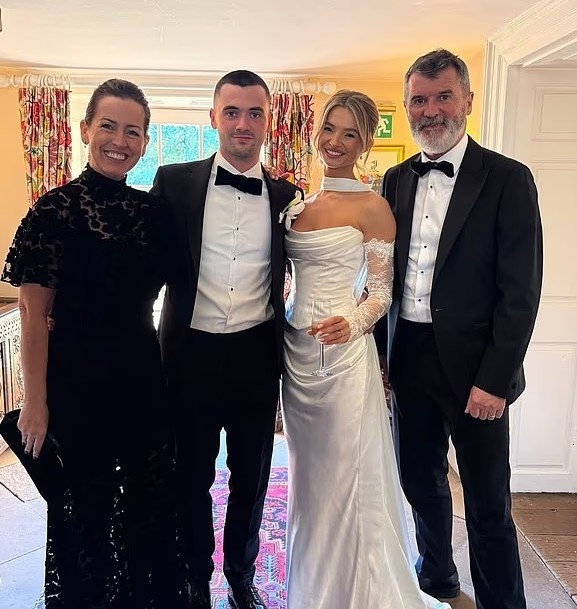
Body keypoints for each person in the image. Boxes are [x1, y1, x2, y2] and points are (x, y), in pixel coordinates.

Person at [1, 79, 188, 608]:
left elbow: (190, 287)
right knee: (84, 512)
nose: (119, 141)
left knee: (149, 506)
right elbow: (32, 315)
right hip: (75, 384)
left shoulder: (155, 215)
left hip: (142, 379)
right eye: (108, 126)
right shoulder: (53, 211)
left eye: (133, 132)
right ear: (84, 130)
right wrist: (35, 403)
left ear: (145, 142)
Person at [376, 49, 543, 609]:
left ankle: (503, 603)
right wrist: (382, 357)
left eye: (443, 96)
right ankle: (437, 580)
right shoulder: (394, 179)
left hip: (478, 369)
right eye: (419, 100)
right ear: (407, 107)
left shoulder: (508, 179)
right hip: (410, 359)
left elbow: (520, 292)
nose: (431, 111)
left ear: (467, 100)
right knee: (419, 484)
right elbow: (383, 277)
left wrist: (494, 380)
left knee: (488, 502)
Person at [281, 89, 451, 609]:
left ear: (364, 144)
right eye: (329, 129)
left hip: (343, 360)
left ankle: (358, 594)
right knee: (309, 481)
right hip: (296, 358)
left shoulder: (374, 207)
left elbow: (381, 293)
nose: (336, 141)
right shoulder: (297, 205)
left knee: (346, 479)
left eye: (350, 133)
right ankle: (312, 589)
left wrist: (351, 323)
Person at [150, 70, 300, 609]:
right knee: (190, 474)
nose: (243, 123)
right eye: (232, 112)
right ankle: (195, 574)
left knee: (251, 476)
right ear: (213, 117)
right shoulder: (173, 181)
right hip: (189, 354)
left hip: (256, 356)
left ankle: (241, 574)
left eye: (254, 113)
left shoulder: (288, 197)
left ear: (268, 120)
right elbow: (139, 257)